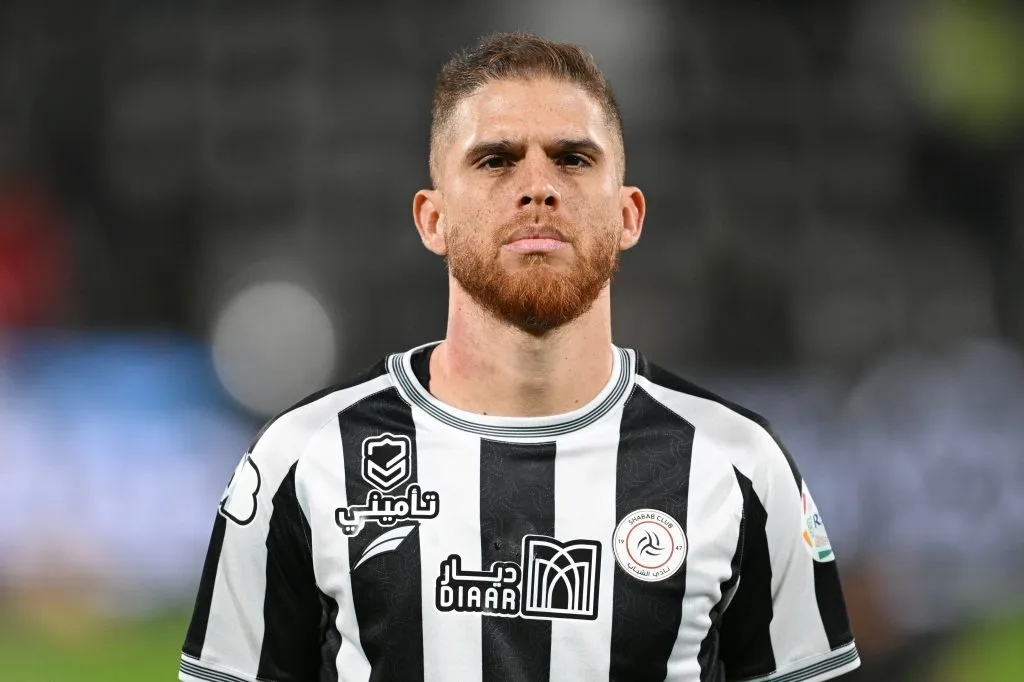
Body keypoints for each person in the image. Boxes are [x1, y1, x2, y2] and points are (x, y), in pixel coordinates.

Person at [179, 32, 860, 682]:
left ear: (629, 214)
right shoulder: (304, 461)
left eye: (573, 157)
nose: (538, 186)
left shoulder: (737, 467)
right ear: (432, 219)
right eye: (496, 159)